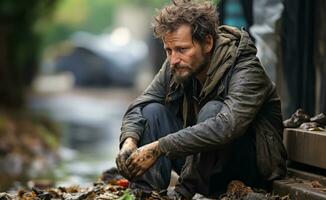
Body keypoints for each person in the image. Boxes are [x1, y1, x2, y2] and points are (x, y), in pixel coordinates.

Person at [116, 0, 287, 199]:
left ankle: (184, 193)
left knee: (212, 110)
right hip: (200, 164)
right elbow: (141, 103)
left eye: (182, 49)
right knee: (151, 111)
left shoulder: (245, 67)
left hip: (248, 167)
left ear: (207, 42)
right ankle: (145, 194)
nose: (173, 60)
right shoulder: (177, 64)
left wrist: (159, 147)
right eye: (168, 50)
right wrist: (129, 140)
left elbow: (226, 126)